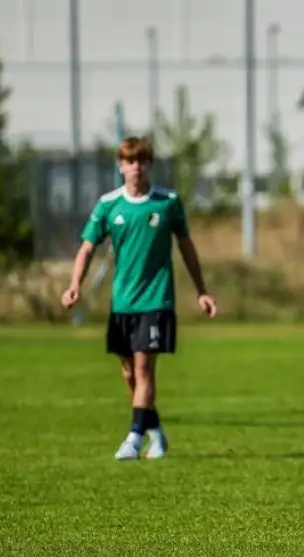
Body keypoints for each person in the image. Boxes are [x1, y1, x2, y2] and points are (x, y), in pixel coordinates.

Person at [61, 136, 217, 461]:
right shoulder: (108, 205)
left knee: (144, 368)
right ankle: (156, 432)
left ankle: (132, 439)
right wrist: (75, 283)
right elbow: (87, 247)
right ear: (120, 166)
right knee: (129, 373)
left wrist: (202, 290)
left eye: (142, 161)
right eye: (130, 161)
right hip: (123, 303)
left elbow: (187, 247)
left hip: (157, 300)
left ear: (150, 165)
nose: (136, 167)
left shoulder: (167, 202)